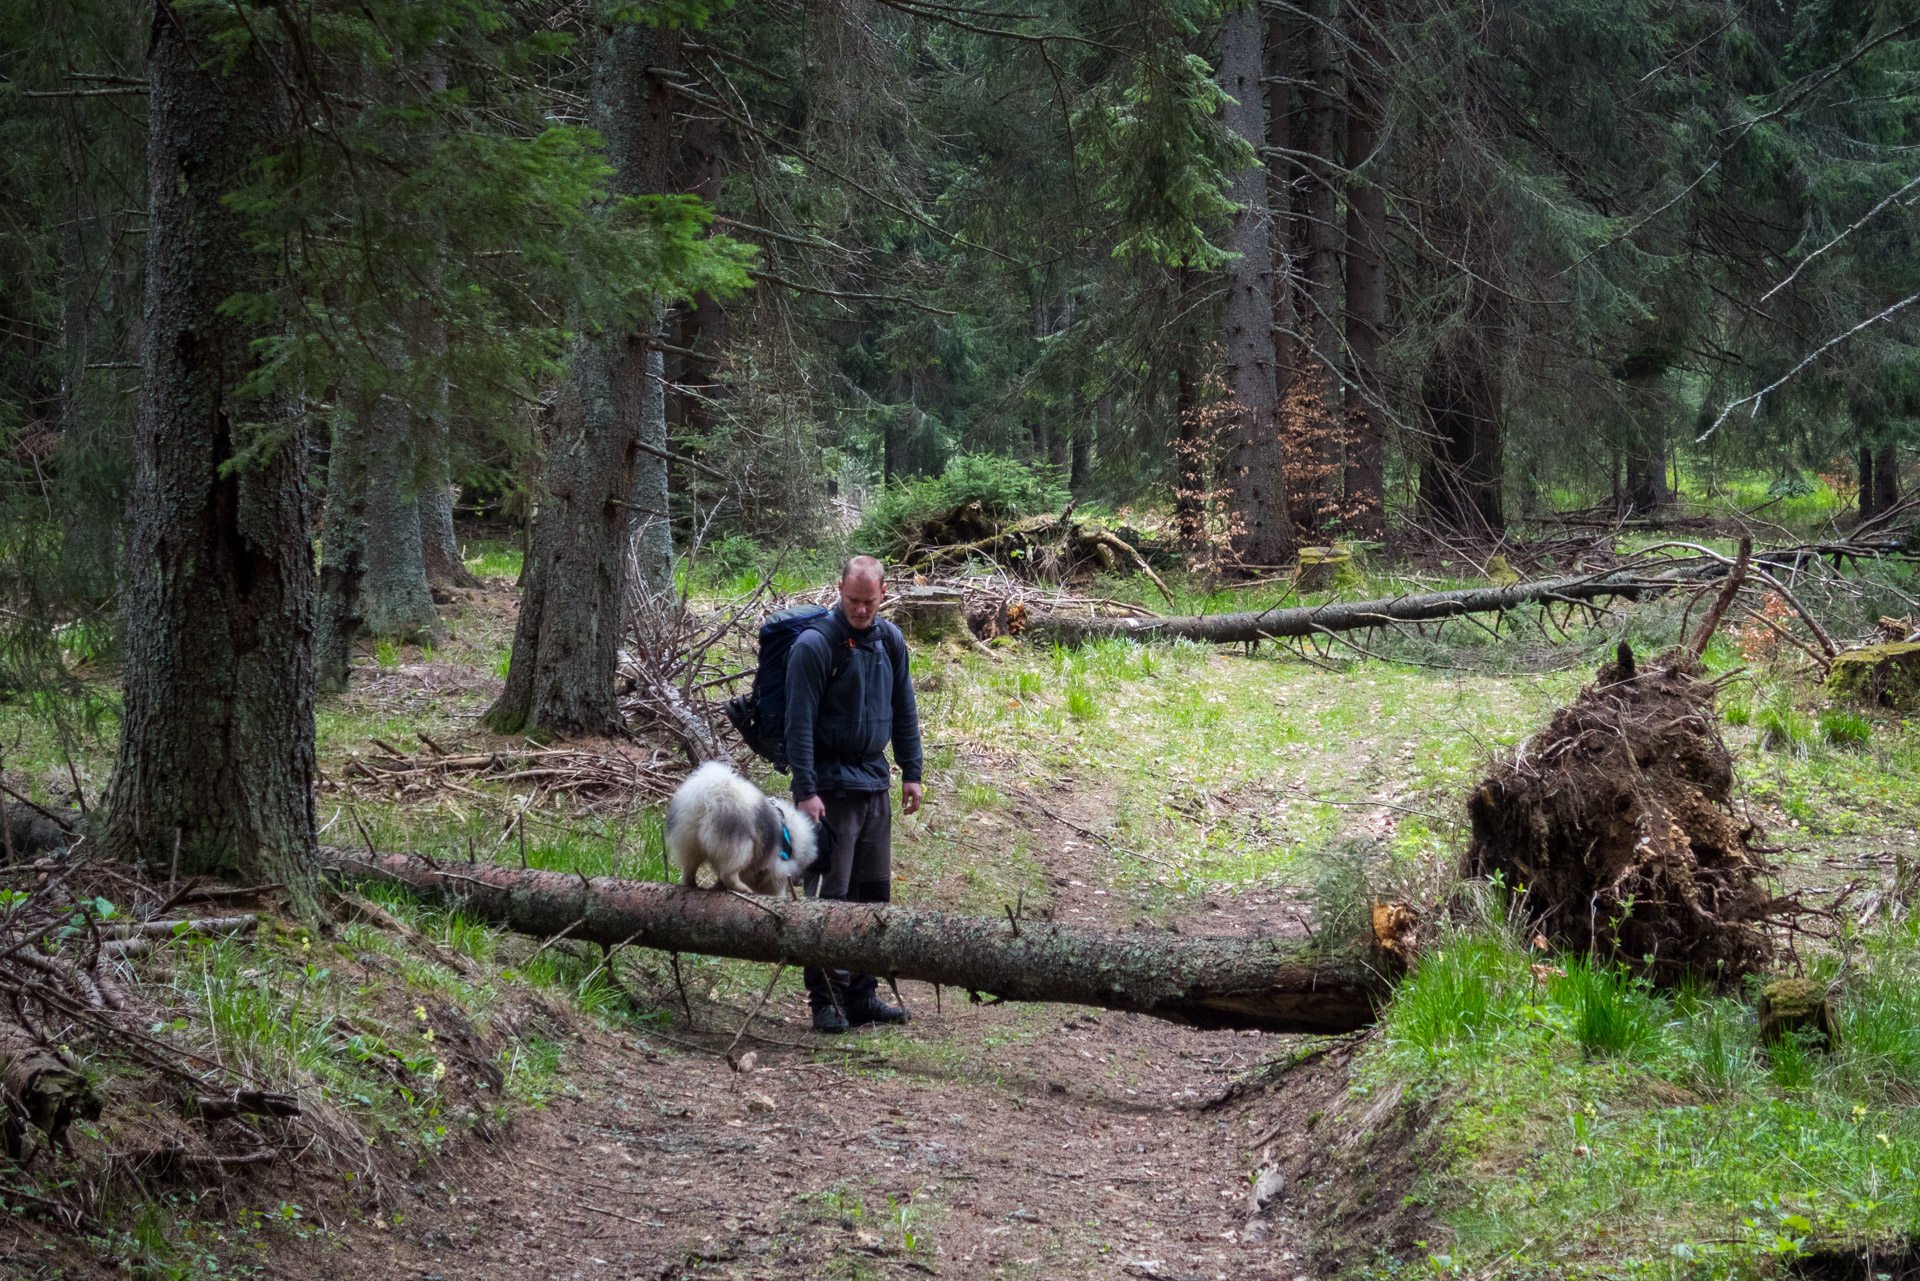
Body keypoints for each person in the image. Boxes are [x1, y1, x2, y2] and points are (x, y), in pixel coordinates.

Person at [785, 555, 925, 1033]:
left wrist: (912, 770)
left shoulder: (890, 640)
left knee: (873, 895)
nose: (861, 610)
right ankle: (826, 999)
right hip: (830, 790)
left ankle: (863, 994)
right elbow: (797, 723)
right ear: (839, 590)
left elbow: (903, 705)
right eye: (852, 601)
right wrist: (806, 791)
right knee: (830, 898)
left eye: (869, 602)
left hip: (874, 784)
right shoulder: (814, 645)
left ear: (883, 594)